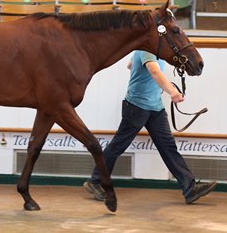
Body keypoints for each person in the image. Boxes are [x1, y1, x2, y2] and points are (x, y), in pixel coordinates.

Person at [84, 50, 217, 204]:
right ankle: (94, 181)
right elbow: (154, 71)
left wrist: (152, 80)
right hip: (136, 106)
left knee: (168, 147)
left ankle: (189, 188)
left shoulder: (153, 50)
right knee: (118, 146)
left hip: (155, 107)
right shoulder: (145, 49)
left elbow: (130, 65)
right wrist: (172, 91)